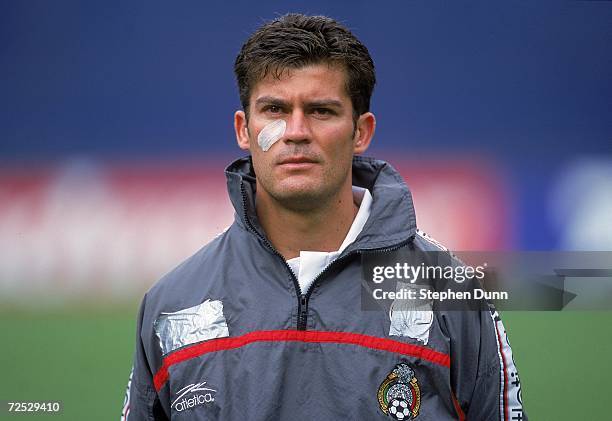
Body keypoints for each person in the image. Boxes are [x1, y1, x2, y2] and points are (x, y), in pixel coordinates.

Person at [121, 13, 527, 420]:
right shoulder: (172, 303)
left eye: (321, 111)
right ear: (244, 129)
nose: (296, 131)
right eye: (275, 109)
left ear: (361, 132)